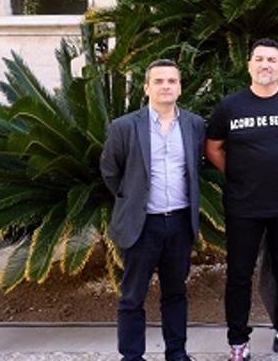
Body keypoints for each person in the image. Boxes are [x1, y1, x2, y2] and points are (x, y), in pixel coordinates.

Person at [205, 38, 278, 361]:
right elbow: (213, 148)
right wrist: (241, 173)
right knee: (240, 274)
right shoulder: (230, 106)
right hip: (244, 206)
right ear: (249, 65)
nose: (265, 64)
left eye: (272, 60)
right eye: (259, 59)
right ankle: (238, 342)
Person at [100, 59, 206, 361]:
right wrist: (131, 199)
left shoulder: (194, 125)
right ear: (146, 87)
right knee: (132, 295)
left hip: (180, 222)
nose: (165, 86)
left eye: (171, 81)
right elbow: (110, 170)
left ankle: (177, 353)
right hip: (142, 224)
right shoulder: (124, 127)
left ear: (180, 87)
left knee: (176, 293)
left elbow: (195, 166)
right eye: (158, 81)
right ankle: (132, 356)